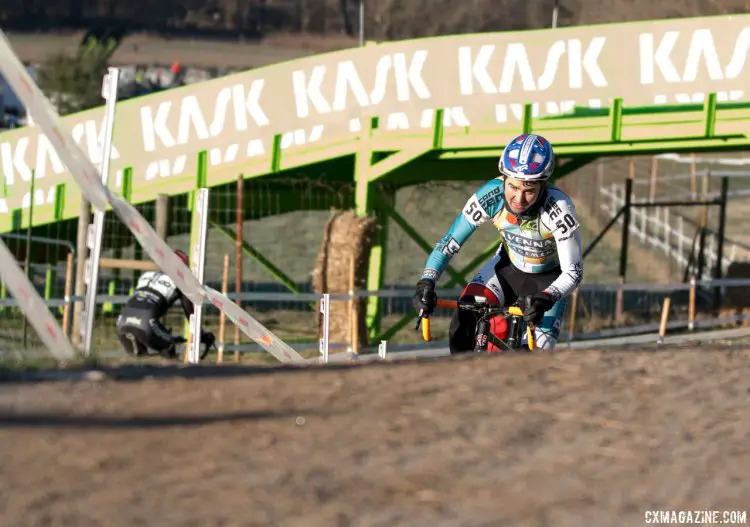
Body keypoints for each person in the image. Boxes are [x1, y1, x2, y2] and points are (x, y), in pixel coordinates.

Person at [412, 133, 584, 352]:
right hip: (506, 269)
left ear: (543, 184)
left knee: (534, 356)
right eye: (513, 187)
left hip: (549, 281)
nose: (518, 199)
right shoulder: (490, 195)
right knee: (463, 322)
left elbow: (574, 272)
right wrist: (426, 282)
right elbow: (447, 244)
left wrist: (547, 298)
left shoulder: (559, 208)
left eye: (529, 190)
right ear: (504, 178)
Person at [116, 249, 215, 359]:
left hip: (122, 321)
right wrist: (202, 336)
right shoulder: (179, 283)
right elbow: (191, 315)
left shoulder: (146, 275)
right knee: (170, 349)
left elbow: (143, 301)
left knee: (138, 363)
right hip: (145, 323)